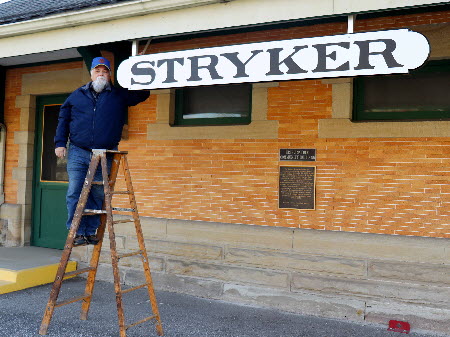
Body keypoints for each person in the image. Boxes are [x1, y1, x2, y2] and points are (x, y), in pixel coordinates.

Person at [54, 56, 150, 246]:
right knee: (75, 192)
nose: (101, 74)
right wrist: (60, 143)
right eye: (97, 71)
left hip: (104, 152)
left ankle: (90, 232)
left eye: (104, 71)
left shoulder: (118, 95)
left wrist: (140, 73)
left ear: (109, 74)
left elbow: (142, 94)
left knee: (98, 193)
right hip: (78, 152)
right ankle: (77, 233)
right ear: (91, 74)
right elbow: (63, 120)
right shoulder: (77, 95)